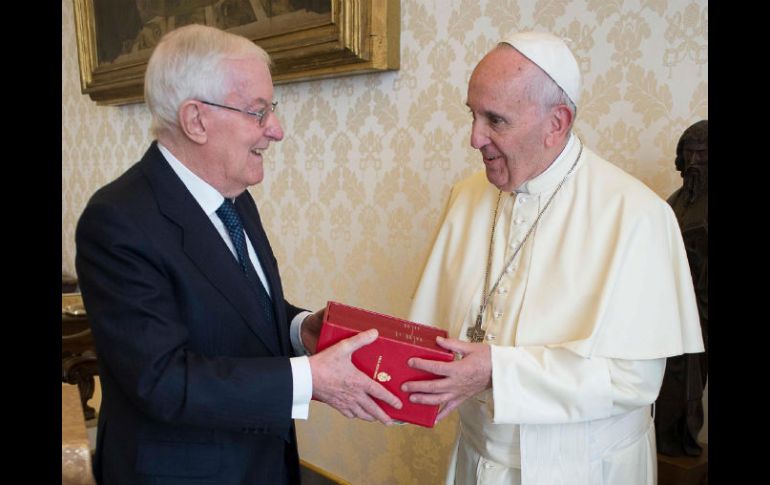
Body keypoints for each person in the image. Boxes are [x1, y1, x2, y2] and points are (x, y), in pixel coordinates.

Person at [75, 24, 401, 485]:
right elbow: (163, 381)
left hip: (261, 463)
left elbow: (237, 309)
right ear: (196, 120)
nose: (277, 130)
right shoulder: (118, 220)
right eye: (258, 112)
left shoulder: (233, 196)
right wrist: (310, 378)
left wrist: (298, 328)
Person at [403, 31, 704, 485]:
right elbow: (433, 332)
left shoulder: (637, 215)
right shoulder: (465, 197)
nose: (473, 138)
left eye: (495, 120)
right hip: (476, 458)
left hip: (584, 468)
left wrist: (495, 371)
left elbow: (633, 381)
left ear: (556, 122)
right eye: (472, 114)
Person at [655, 120, 708, 457]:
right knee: (663, 384)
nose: (694, 161)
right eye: (689, 152)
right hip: (668, 308)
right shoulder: (673, 201)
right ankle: (664, 441)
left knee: (687, 383)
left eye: (702, 154)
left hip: (700, 312)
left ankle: (680, 439)